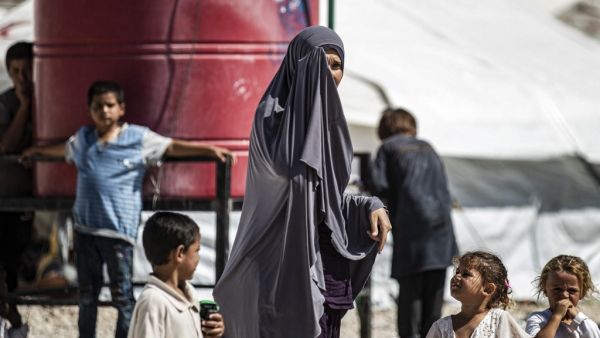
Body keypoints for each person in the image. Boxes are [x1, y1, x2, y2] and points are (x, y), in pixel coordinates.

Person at [212, 25, 392, 338]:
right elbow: (290, 187)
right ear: (299, 62)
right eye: (320, 61)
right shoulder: (272, 118)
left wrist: (370, 204)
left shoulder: (330, 124)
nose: (329, 72)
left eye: (337, 66)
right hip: (282, 267)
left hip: (326, 266)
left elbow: (325, 197)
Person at [22, 80, 234, 338]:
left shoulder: (137, 138)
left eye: (110, 105)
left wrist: (208, 150)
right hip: (86, 230)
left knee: (122, 296)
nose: (104, 111)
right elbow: (62, 151)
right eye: (98, 106)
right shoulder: (84, 139)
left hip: (118, 233)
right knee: (87, 296)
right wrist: (37, 151)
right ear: (90, 110)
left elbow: (171, 146)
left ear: (121, 108)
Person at [369, 107, 458, 338]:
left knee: (410, 304)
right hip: (441, 232)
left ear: (385, 128)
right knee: (434, 305)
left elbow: (378, 189)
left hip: (412, 233)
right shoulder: (428, 147)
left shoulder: (387, 148)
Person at [128, 211, 225, 338]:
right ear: (180, 253)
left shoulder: (190, 295)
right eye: (196, 251)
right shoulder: (153, 302)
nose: (198, 258)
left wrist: (210, 333)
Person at [0, 41, 34, 334]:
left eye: (28, 71)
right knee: (7, 264)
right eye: (16, 72)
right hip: (9, 197)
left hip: (35, 199)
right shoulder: (6, 103)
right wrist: (24, 106)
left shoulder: (52, 97)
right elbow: (6, 145)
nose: (23, 78)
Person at [426, 251, 530, 338]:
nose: (457, 276)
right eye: (457, 272)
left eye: (466, 274)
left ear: (488, 289)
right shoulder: (441, 327)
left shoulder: (498, 320)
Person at [525, 255, 600, 338]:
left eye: (572, 290)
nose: (564, 295)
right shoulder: (538, 319)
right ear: (545, 290)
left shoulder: (584, 323)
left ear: (582, 293)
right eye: (557, 289)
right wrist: (556, 317)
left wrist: (578, 318)